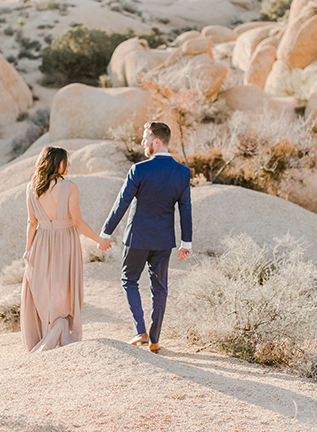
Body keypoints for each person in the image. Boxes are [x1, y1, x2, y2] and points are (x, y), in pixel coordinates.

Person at [100, 121, 193, 354]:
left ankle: (140, 332)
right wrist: (186, 242)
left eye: (145, 138)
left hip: (137, 238)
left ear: (156, 141)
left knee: (129, 280)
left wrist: (105, 232)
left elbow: (122, 202)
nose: (143, 143)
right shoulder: (182, 172)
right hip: (164, 241)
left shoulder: (139, 170)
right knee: (159, 288)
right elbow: (186, 209)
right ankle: (154, 340)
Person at [21, 146, 111, 352]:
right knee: (64, 287)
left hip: (41, 242)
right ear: (56, 163)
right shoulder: (70, 187)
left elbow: (31, 223)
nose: (69, 165)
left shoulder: (31, 187)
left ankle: (47, 333)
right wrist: (100, 240)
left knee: (44, 288)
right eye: (66, 161)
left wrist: (28, 249)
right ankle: (60, 330)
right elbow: (78, 222)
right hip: (65, 242)